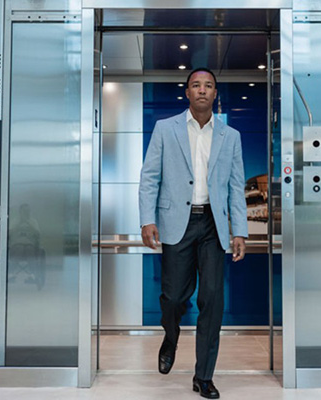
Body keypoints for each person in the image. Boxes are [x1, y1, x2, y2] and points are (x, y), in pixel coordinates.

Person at [138, 67, 247, 399]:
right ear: (187, 92)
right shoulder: (165, 129)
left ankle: (204, 376)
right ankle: (170, 336)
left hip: (213, 225)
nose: (202, 90)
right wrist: (147, 219)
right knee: (173, 297)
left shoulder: (231, 136)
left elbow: (235, 187)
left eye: (209, 85)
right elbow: (149, 178)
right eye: (196, 85)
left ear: (216, 94)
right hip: (177, 224)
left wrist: (238, 231)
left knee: (212, 300)